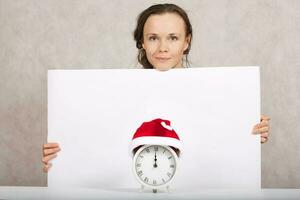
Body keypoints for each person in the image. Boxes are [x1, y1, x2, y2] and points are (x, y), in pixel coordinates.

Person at [42, 3, 270, 172]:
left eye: (172, 38)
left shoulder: (218, 96)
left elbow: (220, 151)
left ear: (186, 41)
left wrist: (247, 134)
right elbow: (99, 147)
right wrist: (62, 159)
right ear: (141, 42)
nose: (162, 48)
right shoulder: (113, 95)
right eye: (153, 38)